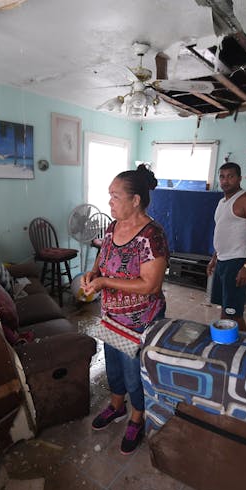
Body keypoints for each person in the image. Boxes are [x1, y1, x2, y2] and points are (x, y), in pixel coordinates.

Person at [81, 164, 169, 455]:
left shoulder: (152, 235)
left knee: (135, 373)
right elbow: (102, 258)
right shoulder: (111, 226)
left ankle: (136, 417)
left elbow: (151, 285)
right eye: (109, 196)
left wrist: (106, 280)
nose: (109, 202)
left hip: (140, 319)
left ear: (135, 200)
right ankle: (117, 407)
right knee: (114, 366)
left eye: (115, 196)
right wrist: (93, 275)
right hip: (111, 316)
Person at [206, 162, 246, 331]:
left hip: (238, 261)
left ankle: (240, 348)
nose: (225, 181)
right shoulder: (222, 202)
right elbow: (224, 231)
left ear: (239, 178)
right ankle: (228, 344)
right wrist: (214, 258)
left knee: (233, 313)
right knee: (226, 309)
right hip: (223, 260)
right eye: (222, 176)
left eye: (230, 176)